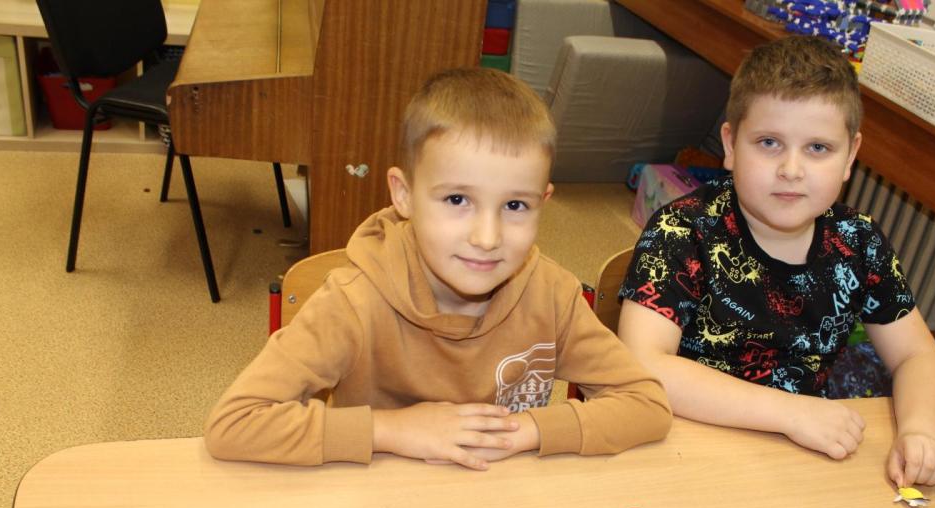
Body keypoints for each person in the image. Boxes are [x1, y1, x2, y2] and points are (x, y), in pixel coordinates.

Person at [205, 68, 671, 469]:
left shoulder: (552, 295)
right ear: (403, 194)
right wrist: (391, 430)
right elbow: (234, 423)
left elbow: (647, 404)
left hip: (499, 505)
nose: (487, 237)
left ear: (542, 202)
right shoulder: (351, 302)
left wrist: (524, 431)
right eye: (457, 199)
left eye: (515, 205)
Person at [617, 36, 935, 487]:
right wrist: (790, 413)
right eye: (770, 142)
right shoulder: (681, 231)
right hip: (684, 453)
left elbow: (918, 355)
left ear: (851, 156)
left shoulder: (859, 241)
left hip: (796, 466)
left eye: (818, 148)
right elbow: (643, 364)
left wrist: (919, 432)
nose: (791, 170)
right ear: (731, 145)